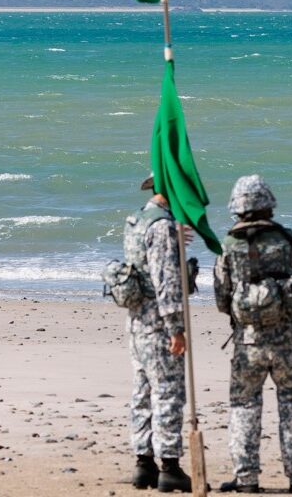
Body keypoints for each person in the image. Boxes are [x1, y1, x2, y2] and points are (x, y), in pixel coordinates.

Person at [213, 176, 292, 494]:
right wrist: (286, 288)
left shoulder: (229, 245)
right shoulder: (288, 239)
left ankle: (246, 478)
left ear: (237, 208)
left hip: (248, 342)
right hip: (287, 339)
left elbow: (222, 298)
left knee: (244, 404)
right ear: (268, 203)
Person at [122, 176, 194, 493]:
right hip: (158, 323)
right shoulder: (162, 226)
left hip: (136, 321)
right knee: (167, 392)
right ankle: (170, 466)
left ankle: (144, 462)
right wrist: (176, 328)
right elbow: (166, 282)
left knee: (142, 392)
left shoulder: (137, 219)